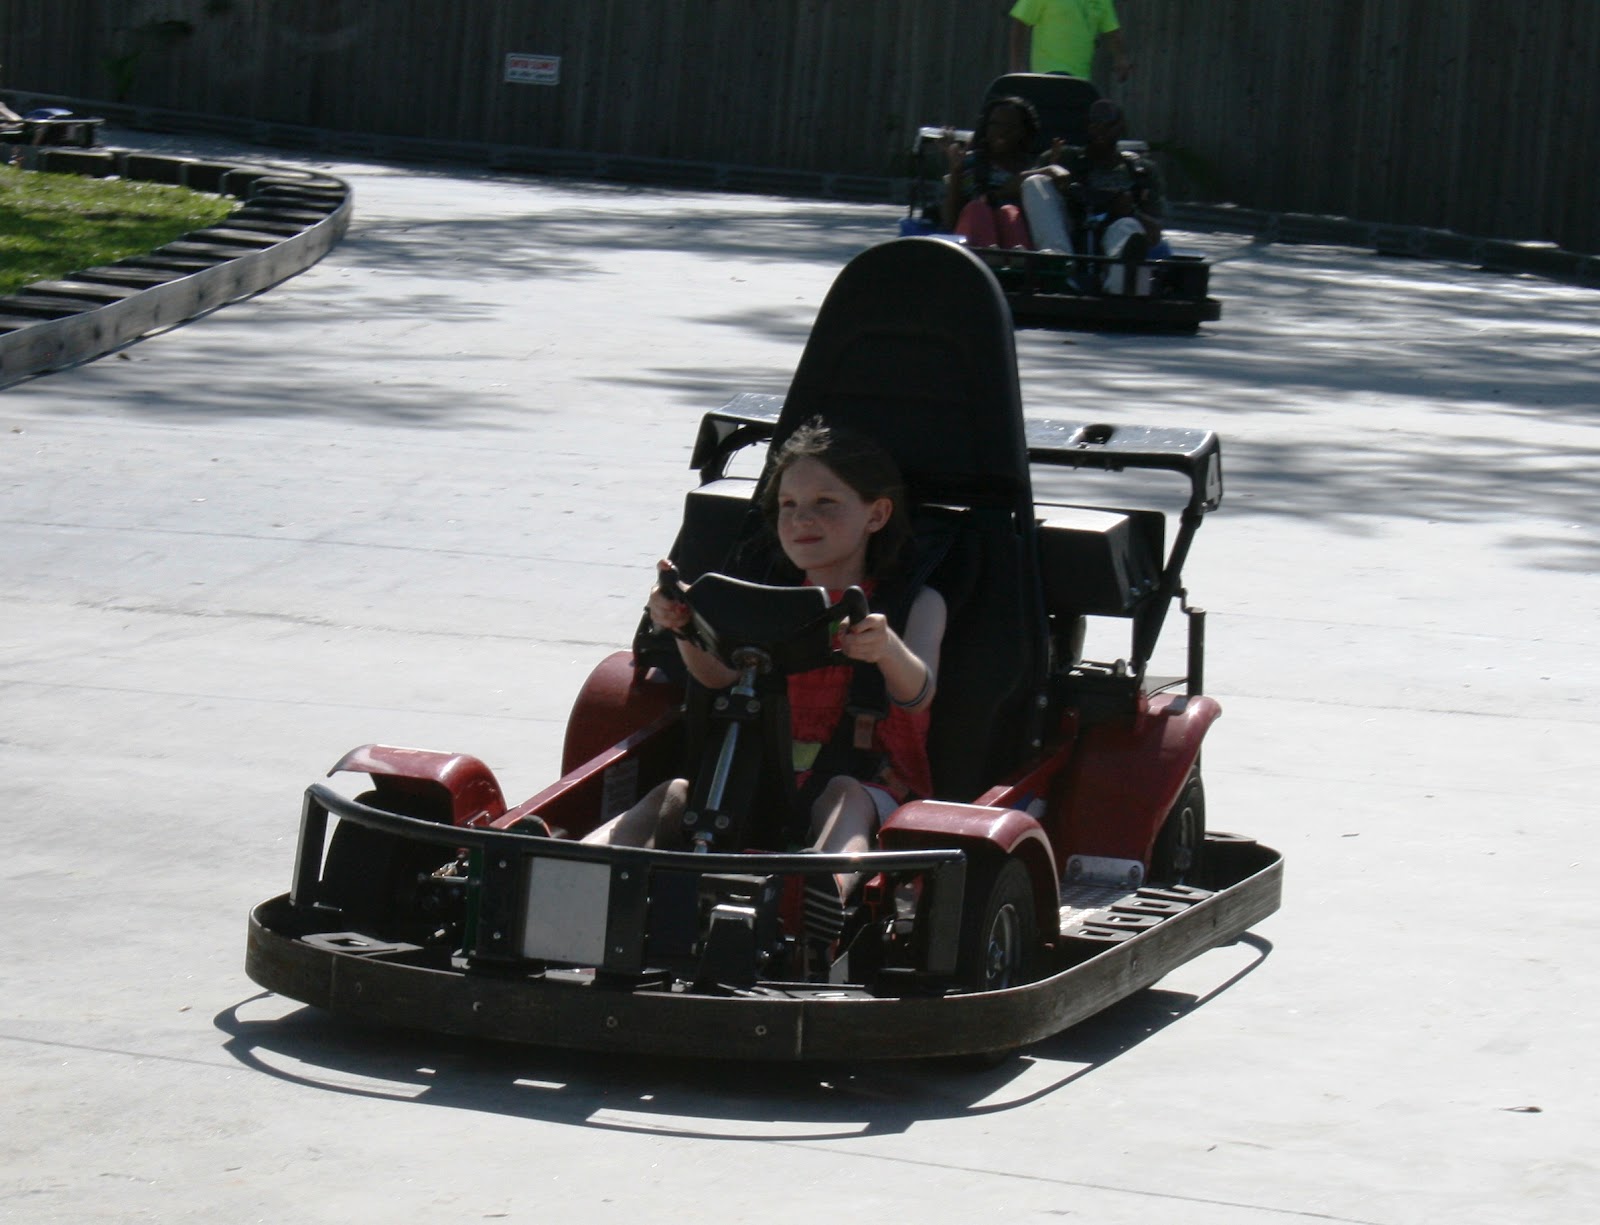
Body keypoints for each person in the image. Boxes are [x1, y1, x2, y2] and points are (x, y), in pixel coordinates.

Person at [585, 418, 947, 905]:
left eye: (826, 504)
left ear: (876, 515)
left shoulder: (912, 606)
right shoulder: (763, 600)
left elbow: (919, 692)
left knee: (845, 795)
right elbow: (719, 678)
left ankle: (825, 891)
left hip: (869, 778)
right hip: (759, 775)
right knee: (673, 793)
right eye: (789, 505)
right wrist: (685, 627)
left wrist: (886, 651)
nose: (802, 520)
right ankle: (581, 866)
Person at [1020, 98, 1168, 291]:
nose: (1101, 131)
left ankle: (1122, 278)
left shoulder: (1141, 171)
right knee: (1035, 182)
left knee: (1128, 226)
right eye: (1095, 124)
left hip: (1114, 232)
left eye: (1109, 126)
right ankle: (1057, 265)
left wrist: (1130, 210)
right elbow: (1016, 183)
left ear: (1121, 128)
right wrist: (1050, 170)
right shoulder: (1063, 157)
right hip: (1068, 229)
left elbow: (1155, 234)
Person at [941, 94, 1040, 248]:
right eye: (995, 125)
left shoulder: (1032, 171)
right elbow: (949, 222)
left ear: (1023, 131)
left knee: (1009, 211)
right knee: (977, 208)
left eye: (1010, 126)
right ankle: (990, 252)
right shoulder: (969, 164)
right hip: (972, 244)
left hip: (1013, 240)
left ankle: (1018, 258)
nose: (1001, 132)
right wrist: (956, 172)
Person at [1009, 0, 1131, 82]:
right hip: (1047, 75)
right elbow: (1020, 22)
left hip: (1080, 81)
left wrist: (1121, 58)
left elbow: (1112, 30)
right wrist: (1016, 67)